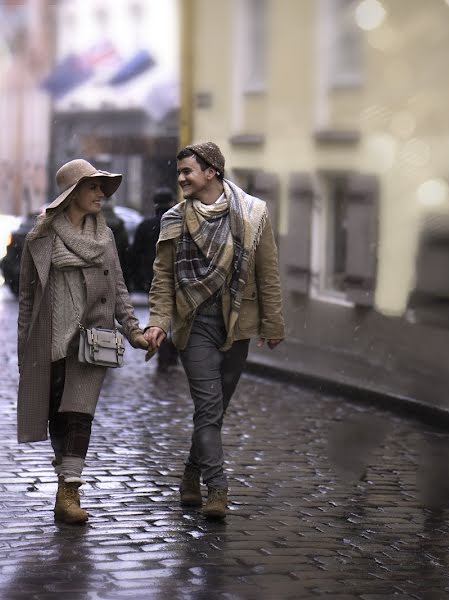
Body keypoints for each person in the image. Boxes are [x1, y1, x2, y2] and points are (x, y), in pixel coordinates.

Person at [144, 142, 285, 519]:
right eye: (179, 172)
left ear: (212, 172)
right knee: (207, 408)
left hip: (237, 324)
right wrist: (158, 322)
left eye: (187, 171)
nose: (181, 178)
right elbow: (163, 278)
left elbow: (267, 273)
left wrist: (272, 323)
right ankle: (217, 489)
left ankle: (191, 472)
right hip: (194, 325)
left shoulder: (253, 214)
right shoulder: (174, 219)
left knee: (215, 411)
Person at [17, 158, 149, 525]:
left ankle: (70, 490)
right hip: (49, 340)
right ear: (72, 193)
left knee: (79, 415)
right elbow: (27, 300)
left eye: (101, 188)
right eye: (93, 187)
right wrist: (22, 351)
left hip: (92, 339)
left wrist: (134, 331)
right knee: (57, 417)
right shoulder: (40, 238)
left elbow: (119, 288)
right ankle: (65, 476)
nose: (101, 195)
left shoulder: (104, 238)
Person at [130, 187, 179, 372]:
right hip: (175, 276)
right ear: (172, 202)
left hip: (151, 278)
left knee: (159, 315)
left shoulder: (145, 225)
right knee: (175, 316)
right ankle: (170, 353)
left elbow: (135, 253)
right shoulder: (178, 224)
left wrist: (137, 279)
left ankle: (163, 352)